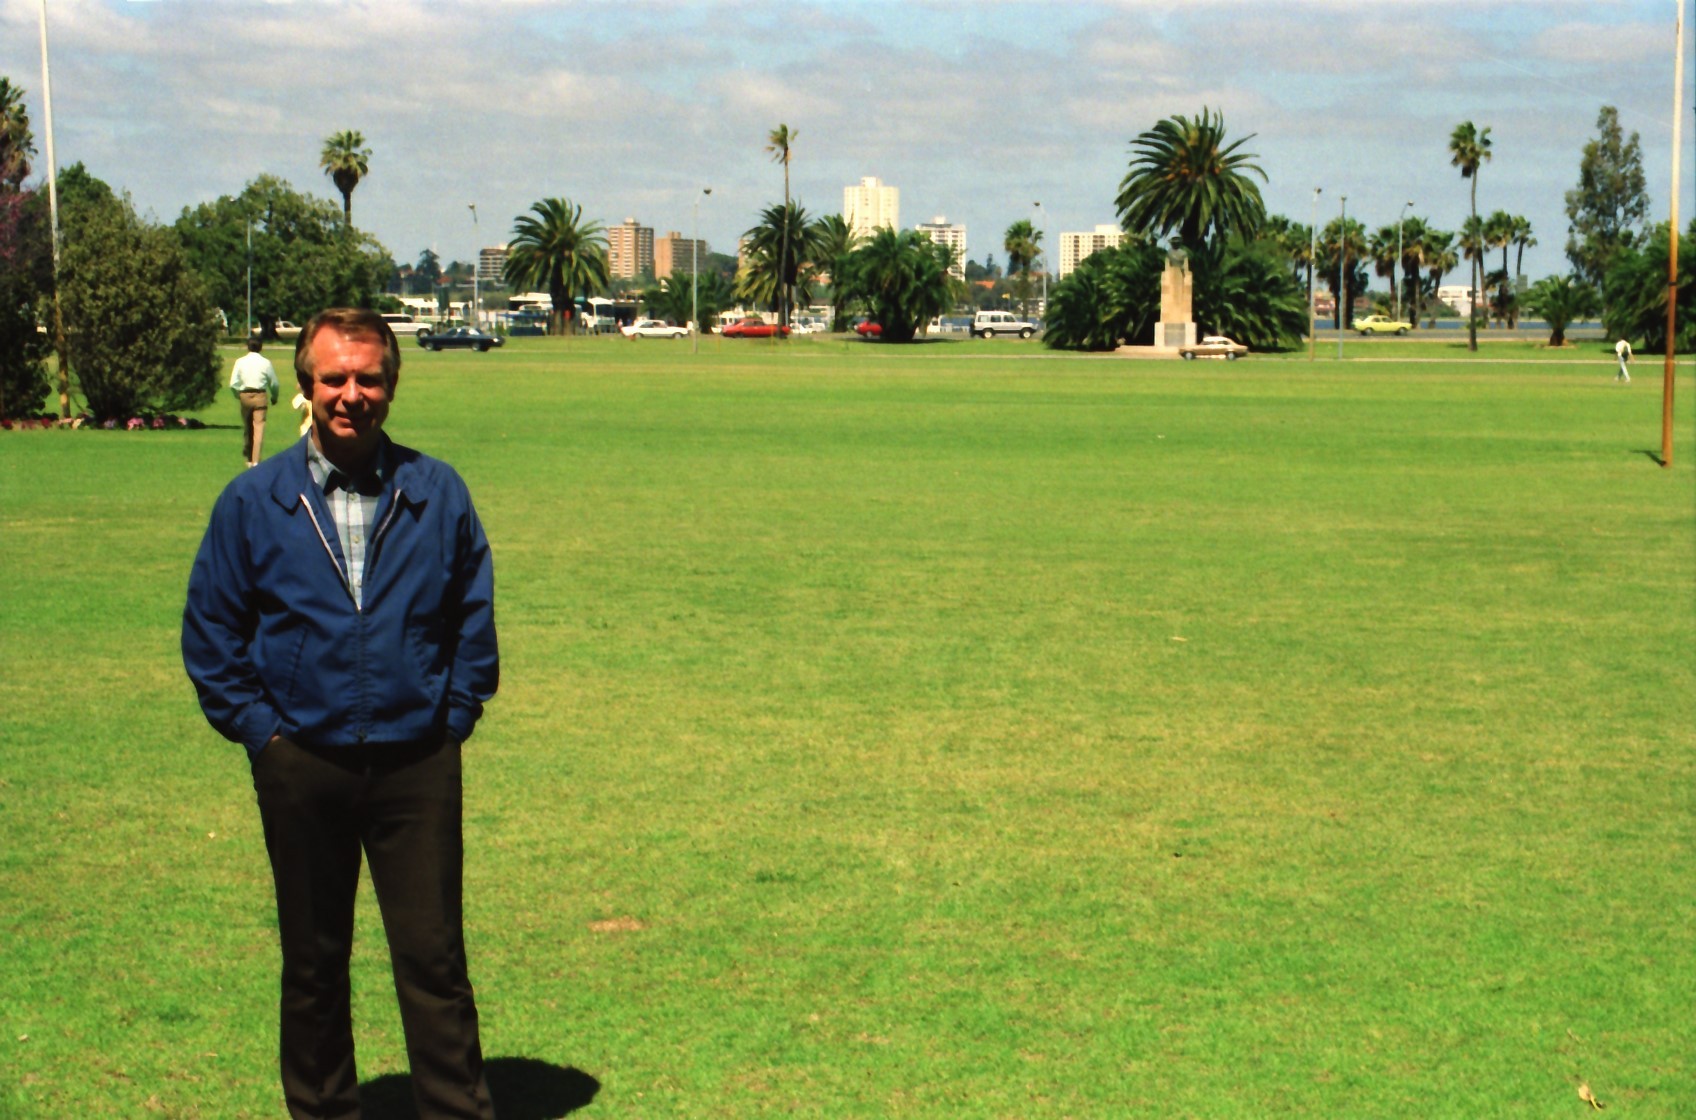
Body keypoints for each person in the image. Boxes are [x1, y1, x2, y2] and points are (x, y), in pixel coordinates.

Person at [183, 308, 500, 1120]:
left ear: (391, 386)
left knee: (434, 961)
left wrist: (454, 715)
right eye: (334, 379)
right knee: (314, 964)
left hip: (416, 761)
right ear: (305, 386)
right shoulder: (254, 501)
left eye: (368, 378)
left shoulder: (436, 491)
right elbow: (212, 633)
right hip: (303, 760)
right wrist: (265, 737)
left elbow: (472, 612)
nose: (351, 394)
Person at [230, 337, 280, 467]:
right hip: (260, 395)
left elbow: (233, 383)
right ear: (261, 347)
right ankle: (256, 460)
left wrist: (238, 395)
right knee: (259, 428)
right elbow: (274, 383)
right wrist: (274, 396)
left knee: (248, 427)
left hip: (245, 395)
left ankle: (248, 456)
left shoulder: (240, 361)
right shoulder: (266, 363)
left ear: (247, 347)